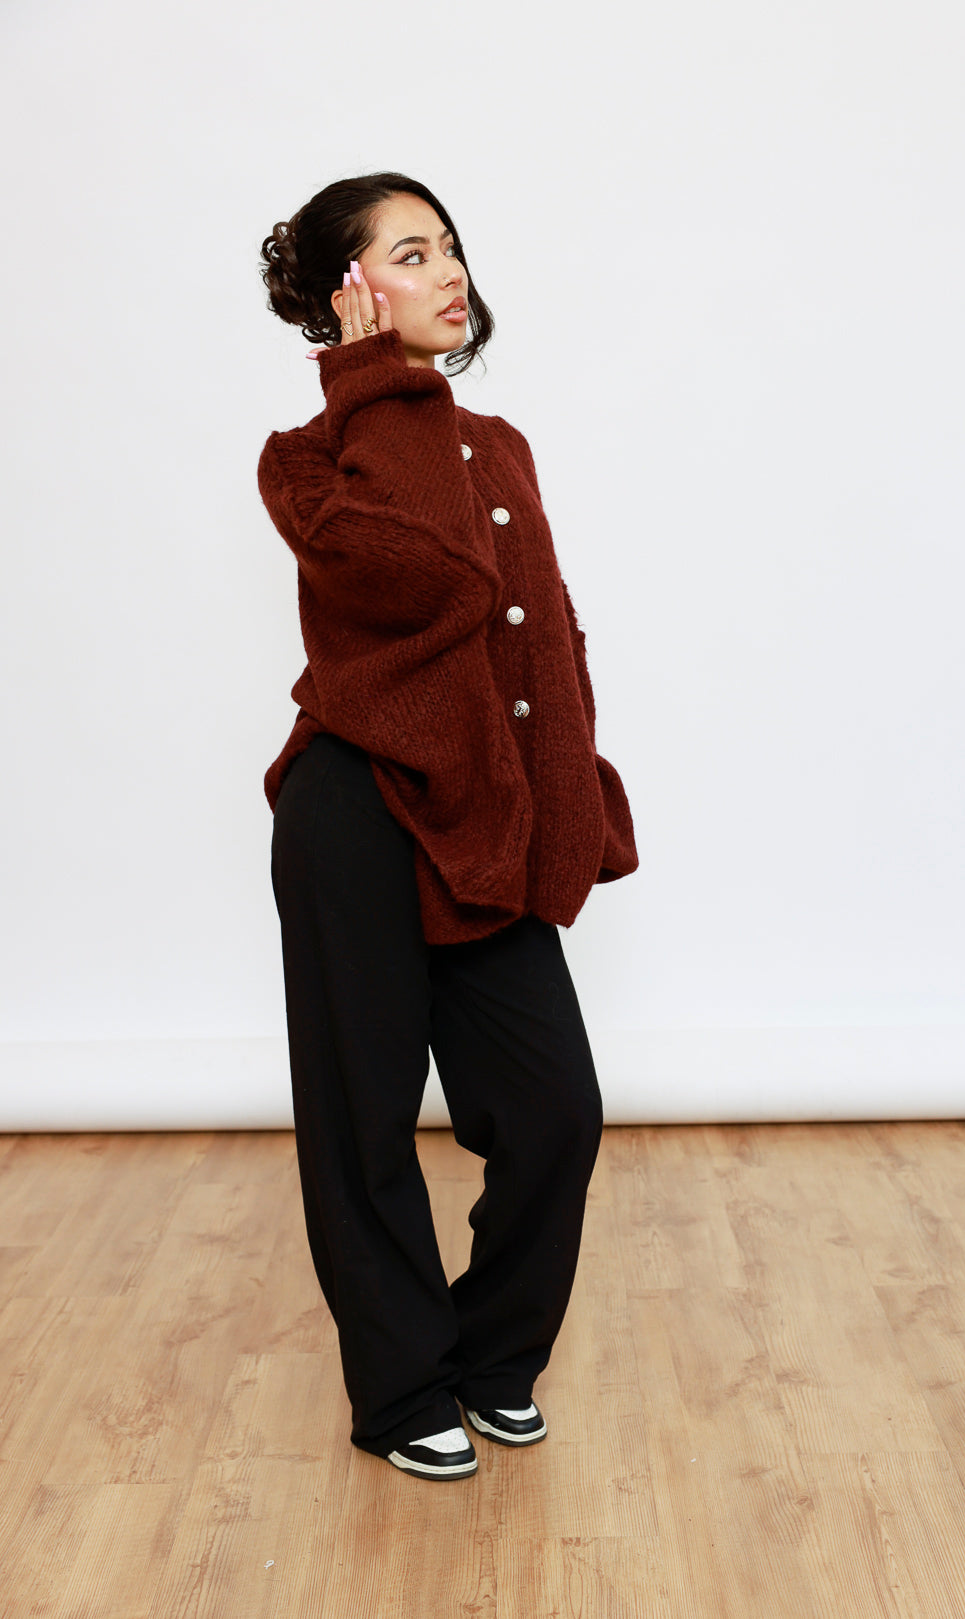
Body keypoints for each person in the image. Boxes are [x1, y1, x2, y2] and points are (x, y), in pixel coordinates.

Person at [256, 171, 639, 1480]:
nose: (450, 271)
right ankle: (402, 1388)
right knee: (363, 1121)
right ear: (348, 293)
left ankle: (492, 1357)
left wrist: (571, 801)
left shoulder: (504, 446)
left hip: (486, 816)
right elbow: (423, 580)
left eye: (451, 247)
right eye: (412, 253)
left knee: (555, 1112)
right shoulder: (310, 458)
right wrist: (373, 387)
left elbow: (546, 636)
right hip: (355, 810)